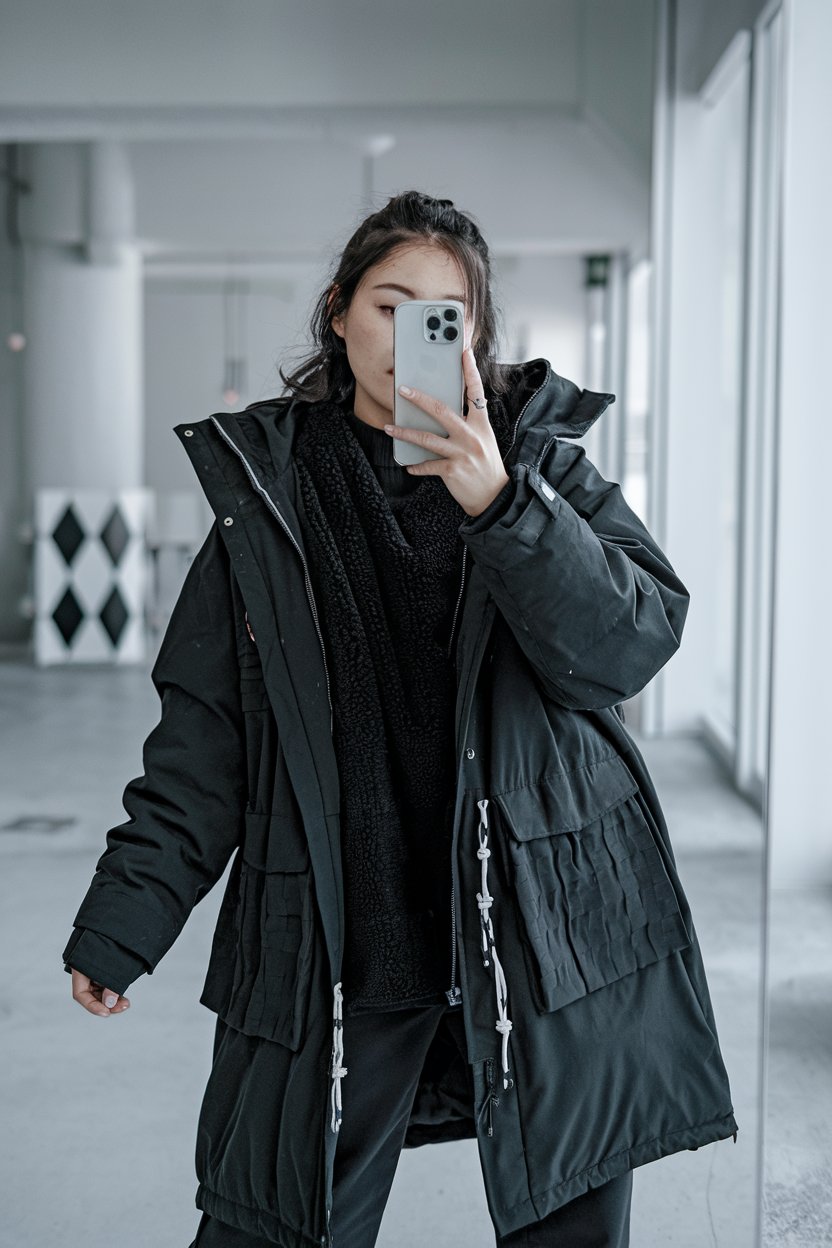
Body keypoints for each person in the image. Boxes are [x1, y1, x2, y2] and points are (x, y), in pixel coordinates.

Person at [63, 190, 738, 1247]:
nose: (410, 333)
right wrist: (125, 920)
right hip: (345, 942)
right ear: (338, 313)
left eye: (445, 314)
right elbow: (203, 747)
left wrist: (503, 506)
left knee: (569, 1218)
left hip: (537, 932)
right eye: (388, 304)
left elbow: (628, 646)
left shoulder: (540, 468)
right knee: (276, 1218)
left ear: (473, 336)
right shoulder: (267, 501)